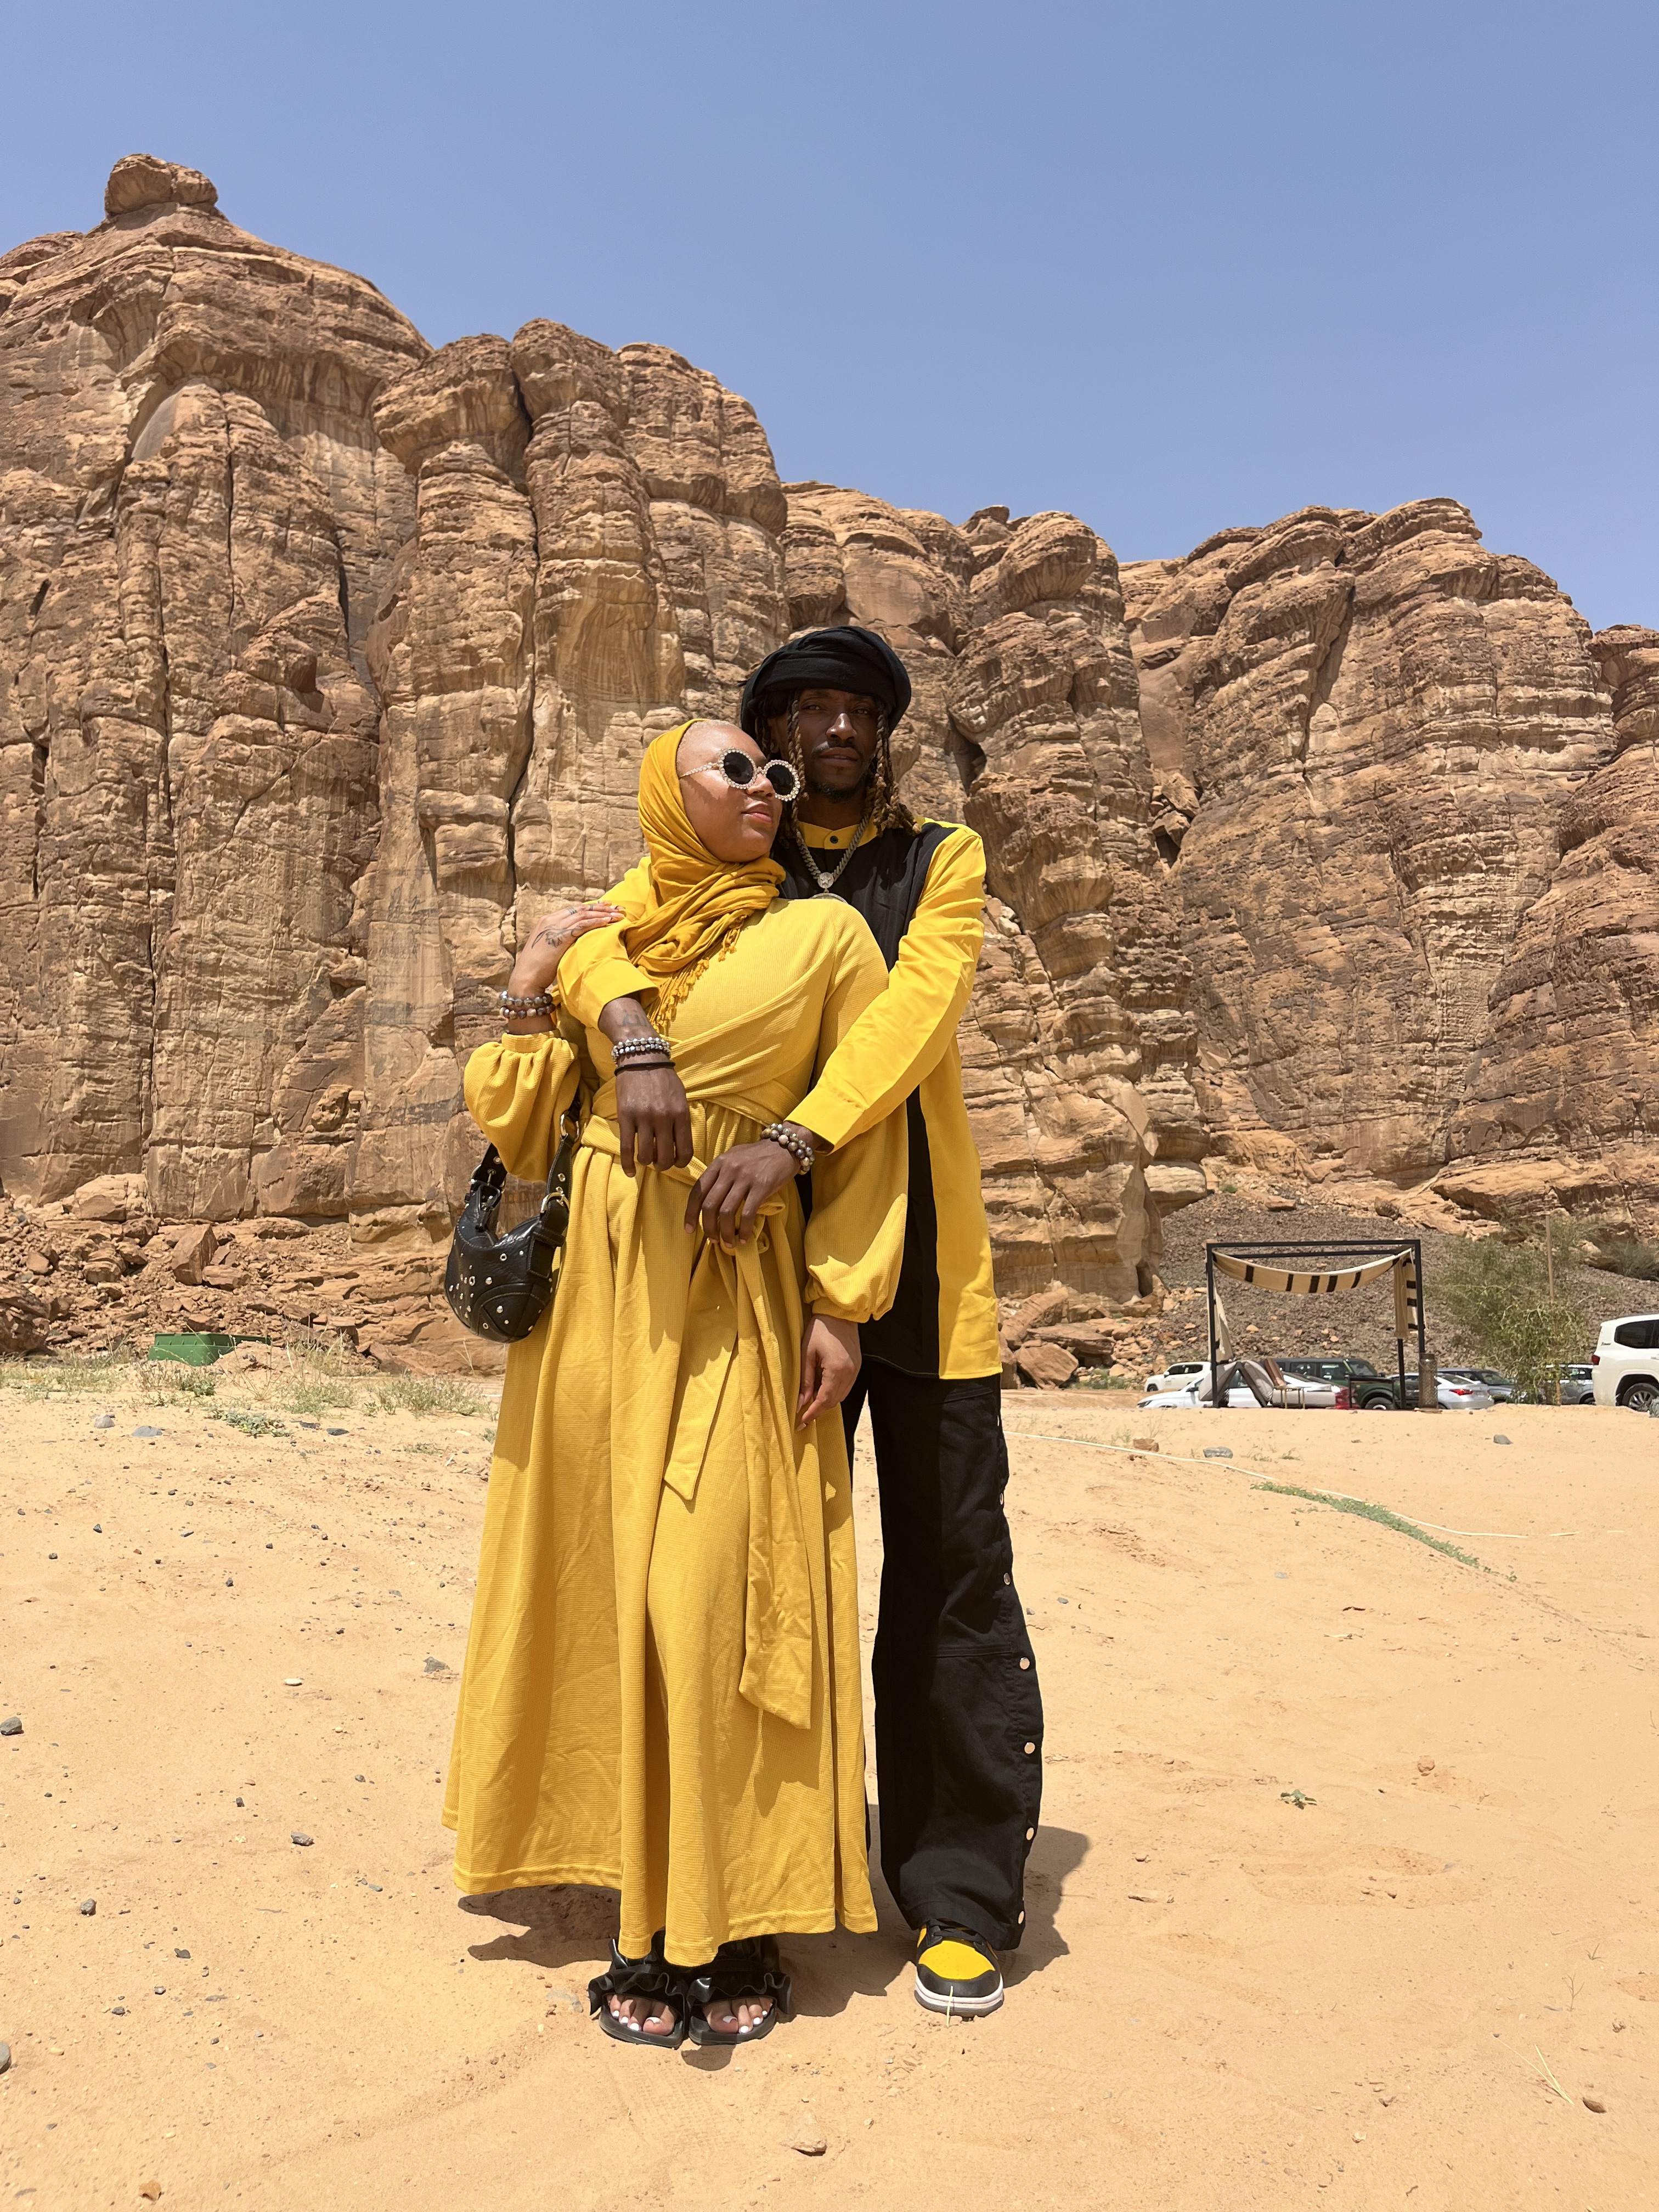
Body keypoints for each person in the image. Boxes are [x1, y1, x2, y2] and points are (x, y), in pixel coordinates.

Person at [560, 627, 1043, 2019]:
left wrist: (792, 1139)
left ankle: (958, 1897)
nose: (833, 729)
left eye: (858, 710)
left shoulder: (938, 859)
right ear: (766, 735)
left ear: (885, 734)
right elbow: (597, 947)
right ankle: (737, 1875)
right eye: (805, 710)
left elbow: (914, 1018)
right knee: (747, 1577)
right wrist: (627, 1024)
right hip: (746, 1280)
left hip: (919, 1269)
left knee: (951, 1572)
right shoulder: (731, 860)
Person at [443, 718, 907, 2050]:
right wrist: (556, 993)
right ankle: (641, 1919)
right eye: (735, 770)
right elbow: (517, 1114)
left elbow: (865, 1128)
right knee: (604, 1588)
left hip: (736, 1285)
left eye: (776, 775)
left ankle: (737, 1907)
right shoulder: (613, 931)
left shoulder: (826, 937)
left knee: (712, 1594)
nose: (768, 789)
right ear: (668, 794)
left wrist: (841, 1302)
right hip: (598, 1297)